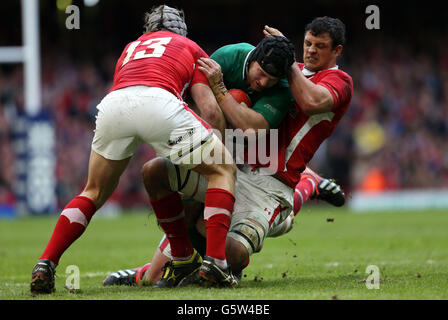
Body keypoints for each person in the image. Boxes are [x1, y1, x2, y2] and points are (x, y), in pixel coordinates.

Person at [104, 15, 352, 282]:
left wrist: (288, 59)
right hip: (236, 165)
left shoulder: (338, 82)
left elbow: (312, 102)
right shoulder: (276, 71)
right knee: (161, 179)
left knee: (229, 250)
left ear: (337, 50)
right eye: (308, 43)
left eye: (321, 46)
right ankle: (155, 270)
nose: (312, 50)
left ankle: (306, 185)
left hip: (272, 182)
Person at [30, 4, 238, 295]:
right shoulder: (190, 46)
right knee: (223, 170)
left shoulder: (131, 47)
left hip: (114, 105)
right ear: (182, 29)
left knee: (92, 192)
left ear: (147, 30)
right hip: (159, 101)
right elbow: (211, 113)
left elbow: (131, 87)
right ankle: (216, 263)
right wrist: (216, 153)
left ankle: (45, 262)